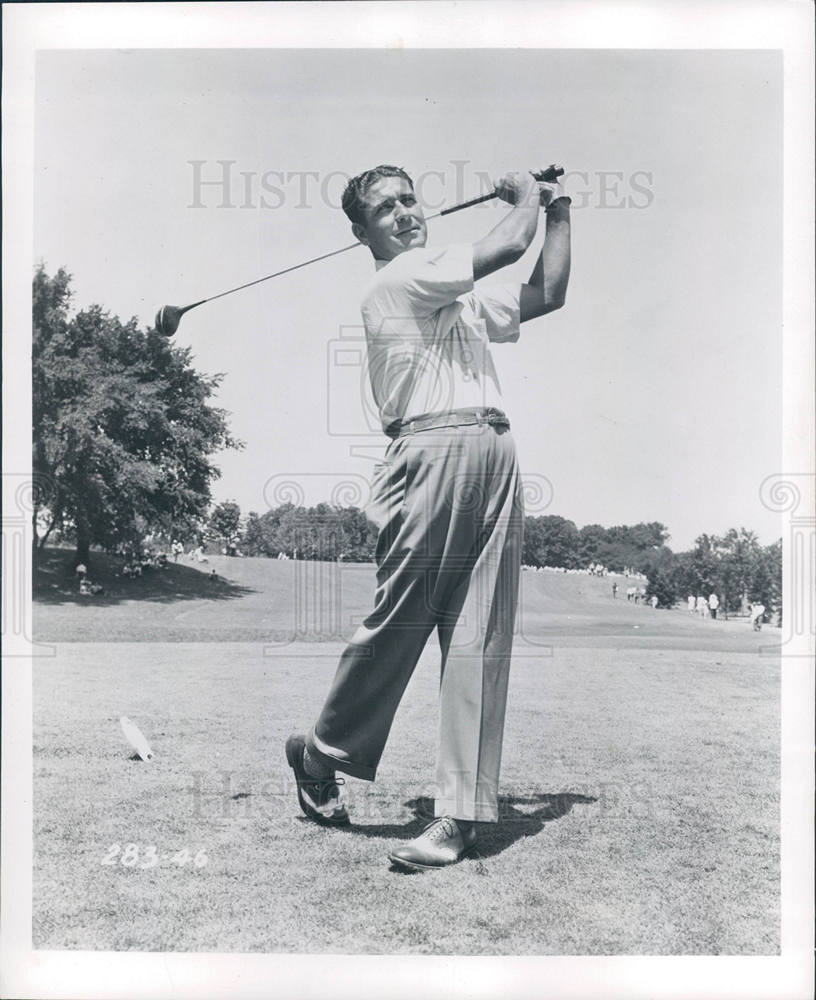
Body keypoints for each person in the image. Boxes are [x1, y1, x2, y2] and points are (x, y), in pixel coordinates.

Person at [286, 163, 571, 871]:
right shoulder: (397, 280)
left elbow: (548, 290)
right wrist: (526, 197)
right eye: (386, 209)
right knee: (401, 622)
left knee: (480, 635)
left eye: (410, 199)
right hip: (429, 450)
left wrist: (560, 210)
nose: (406, 212)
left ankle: (456, 816)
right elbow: (505, 247)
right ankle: (321, 754)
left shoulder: (455, 295)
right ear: (363, 233)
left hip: (495, 451)